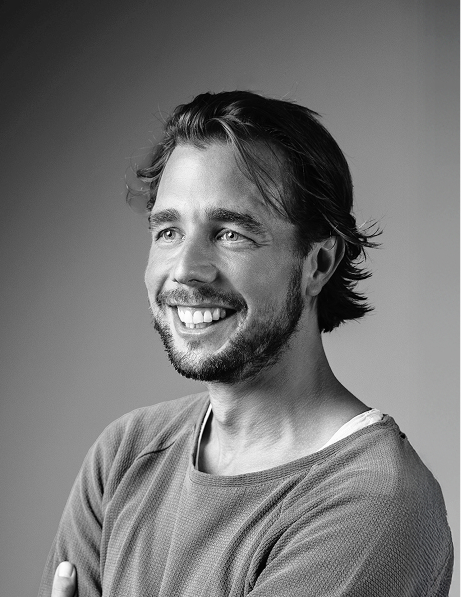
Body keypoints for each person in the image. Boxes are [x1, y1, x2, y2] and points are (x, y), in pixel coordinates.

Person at [40, 91, 453, 597]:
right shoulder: (124, 455)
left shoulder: (372, 501)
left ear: (318, 264)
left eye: (230, 233)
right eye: (168, 231)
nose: (186, 269)